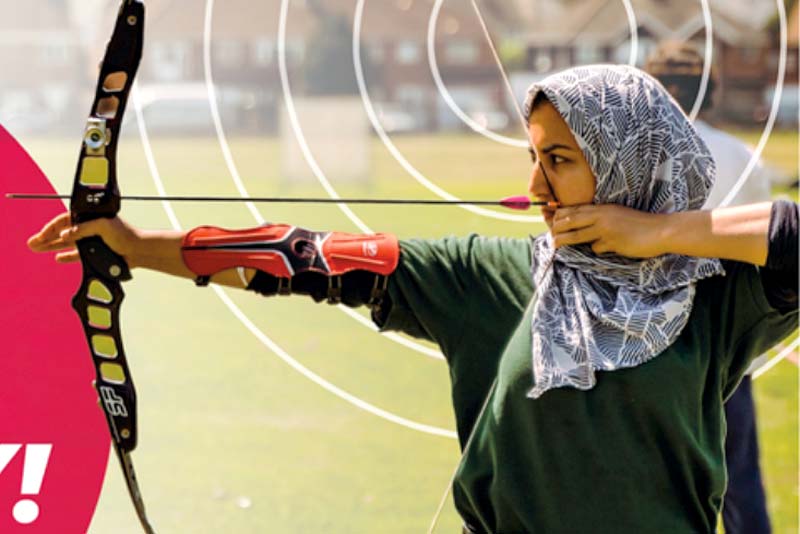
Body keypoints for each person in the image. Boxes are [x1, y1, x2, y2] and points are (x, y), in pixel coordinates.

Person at [28, 65, 798, 533]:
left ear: (628, 161)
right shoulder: (484, 278)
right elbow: (302, 260)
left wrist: (658, 235)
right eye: (532, 158)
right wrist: (134, 246)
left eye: (559, 161)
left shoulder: (712, 293)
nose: (534, 189)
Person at [646, 41, 775, 534]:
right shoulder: (742, 155)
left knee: (655, 487)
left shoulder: (630, 159)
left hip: (648, 343)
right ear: (711, 91)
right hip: (727, 347)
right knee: (739, 488)